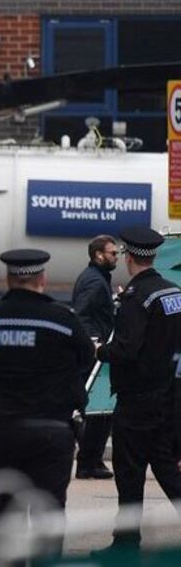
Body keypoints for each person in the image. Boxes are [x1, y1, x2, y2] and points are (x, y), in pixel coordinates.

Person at [0, 249, 94, 567]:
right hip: (51, 432)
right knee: (49, 513)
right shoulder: (62, 320)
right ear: (42, 279)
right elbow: (86, 360)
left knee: (6, 512)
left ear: (8, 279)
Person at [95, 227, 181, 548]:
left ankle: (126, 539)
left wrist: (100, 350)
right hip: (168, 396)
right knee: (167, 468)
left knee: (129, 472)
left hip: (137, 402)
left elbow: (125, 350)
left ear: (129, 257)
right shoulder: (173, 293)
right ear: (154, 255)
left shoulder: (136, 298)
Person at [72, 234, 118, 480]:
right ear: (99, 255)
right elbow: (82, 313)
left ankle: (92, 460)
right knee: (100, 410)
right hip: (96, 353)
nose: (117, 257)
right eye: (113, 253)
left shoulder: (97, 278)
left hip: (96, 349)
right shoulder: (94, 281)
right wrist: (94, 342)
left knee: (99, 409)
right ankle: (89, 462)